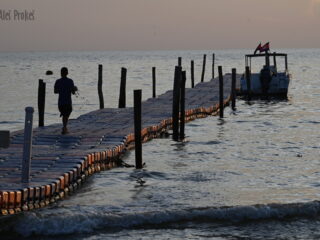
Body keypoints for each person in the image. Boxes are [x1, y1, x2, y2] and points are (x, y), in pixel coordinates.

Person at [54, 67, 77, 134]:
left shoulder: (58, 81)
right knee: (66, 114)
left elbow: (55, 91)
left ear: (61, 73)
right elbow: (73, 92)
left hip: (60, 102)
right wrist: (74, 89)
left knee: (65, 115)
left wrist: (61, 89)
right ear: (67, 73)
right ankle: (64, 128)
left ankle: (64, 128)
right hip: (67, 102)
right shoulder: (70, 81)